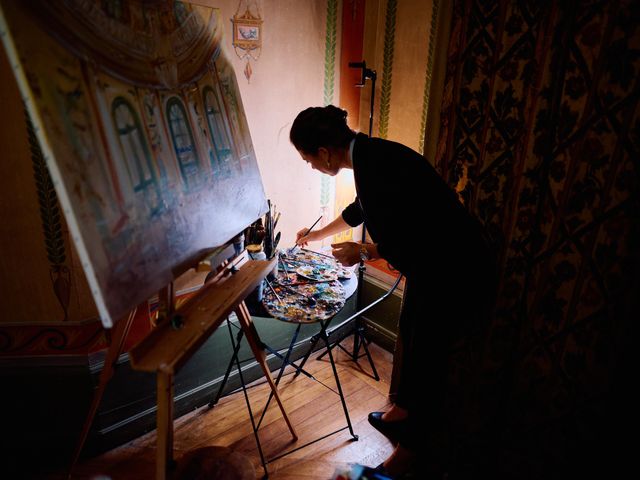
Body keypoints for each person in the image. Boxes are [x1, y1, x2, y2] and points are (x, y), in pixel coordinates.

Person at [290, 105, 497, 477]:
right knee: (414, 334)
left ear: (324, 153)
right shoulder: (369, 156)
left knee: (431, 355)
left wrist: (364, 251)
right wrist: (315, 235)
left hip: (455, 264)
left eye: (308, 160)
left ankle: (404, 460)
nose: (310, 166)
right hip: (431, 262)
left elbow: (415, 233)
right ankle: (400, 414)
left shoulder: (376, 163)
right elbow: (361, 209)